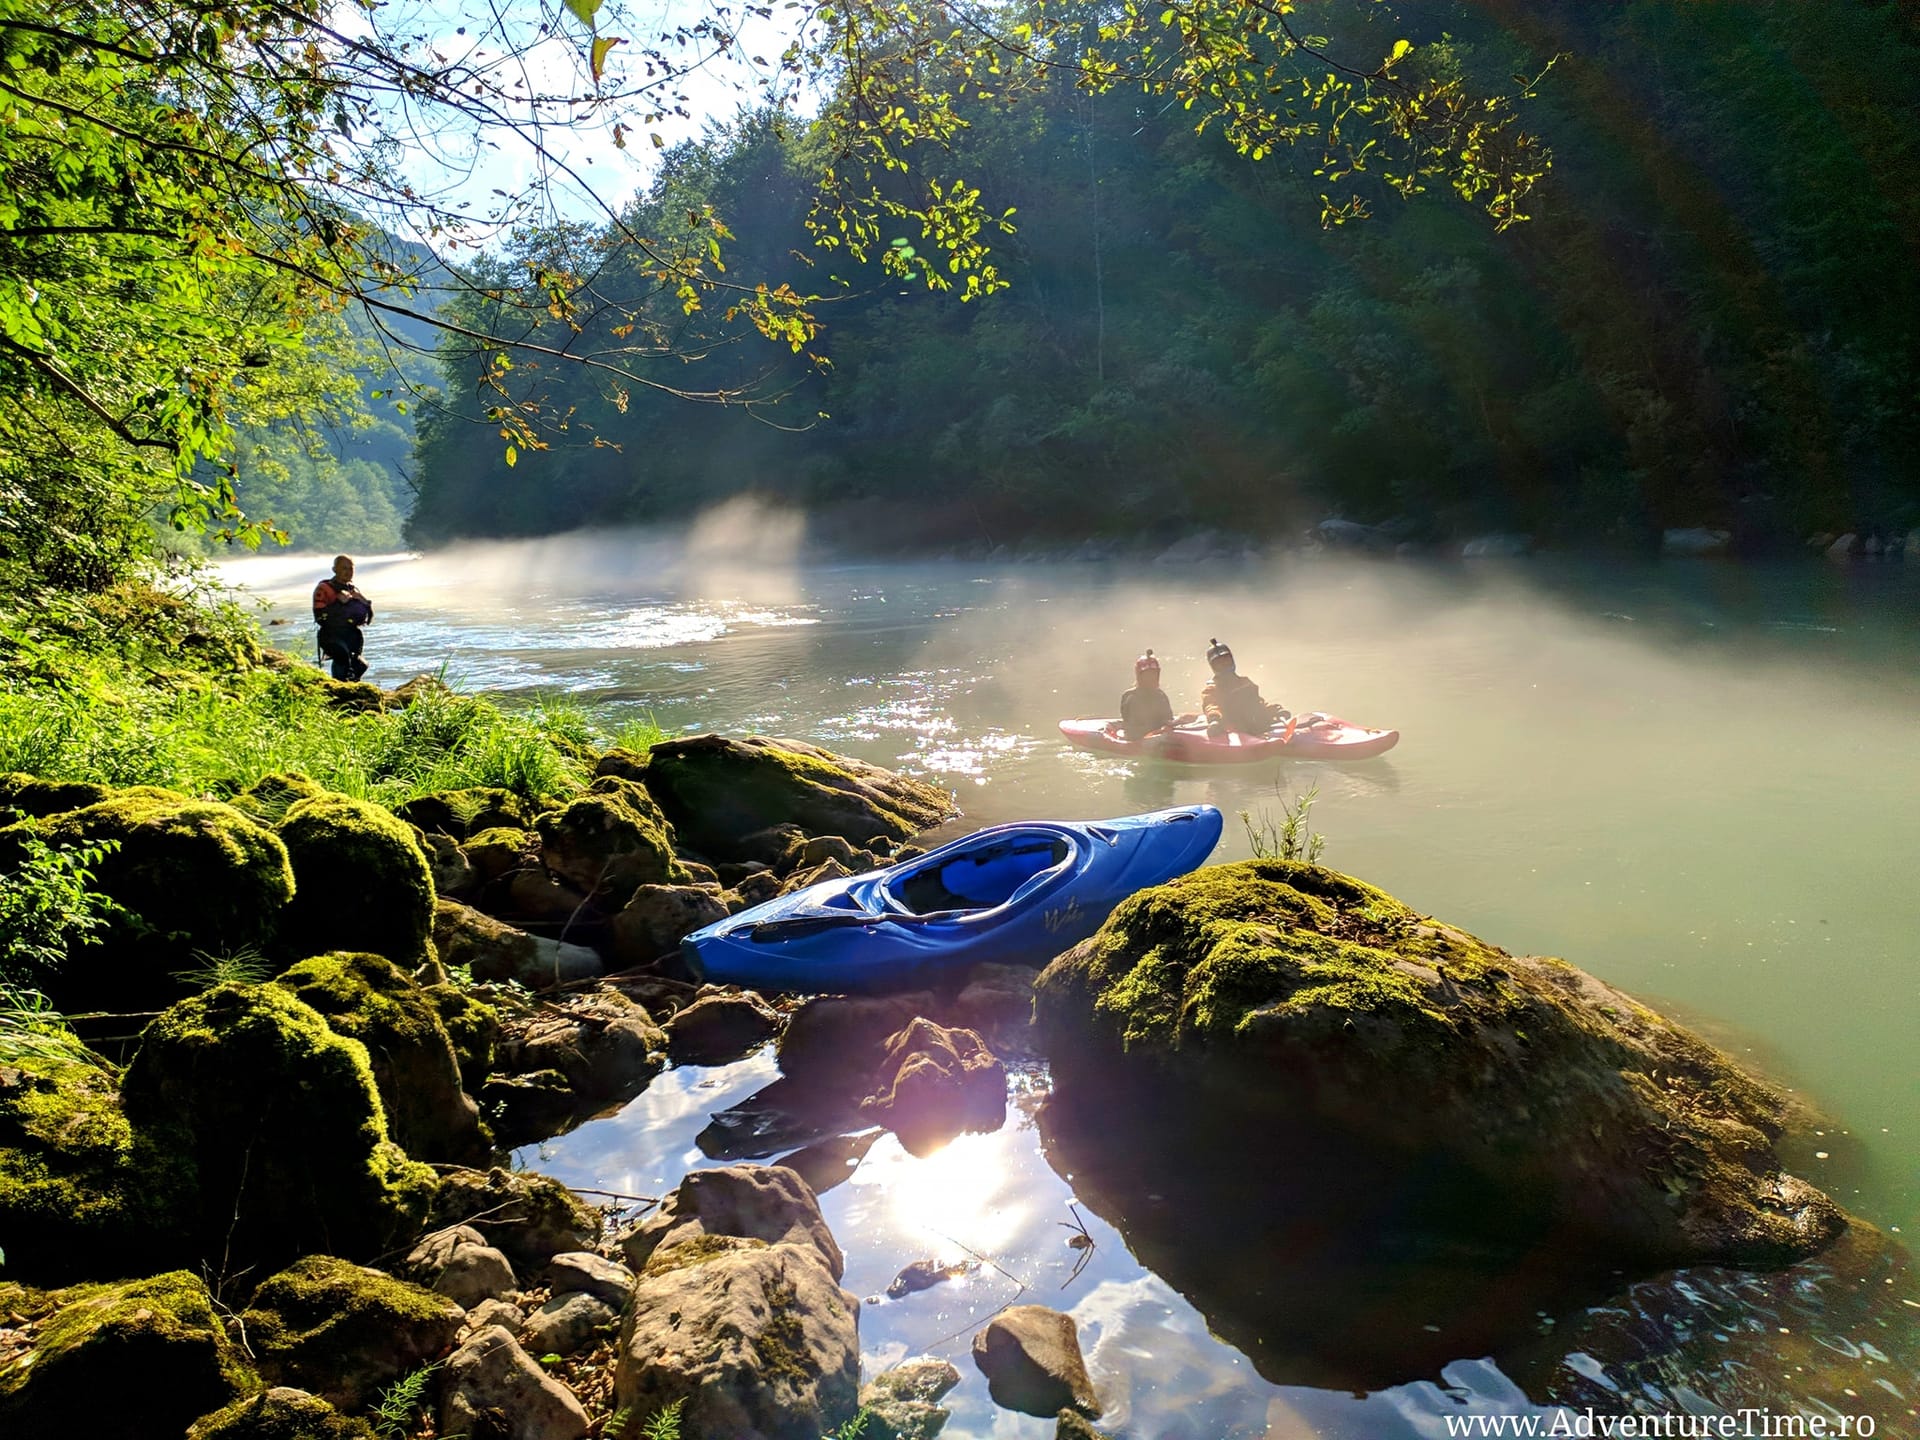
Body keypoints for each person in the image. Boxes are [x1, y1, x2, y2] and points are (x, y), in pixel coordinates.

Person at [1200, 638, 1283, 738]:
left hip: (1257, 724)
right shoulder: (1212, 689)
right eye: (1220, 663)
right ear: (1213, 667)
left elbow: (1259, 703)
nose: (1224, 665)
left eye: (1227, 660)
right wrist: (1214, 719)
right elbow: (1211, 706)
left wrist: (1275, 710)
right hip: (1237, 729)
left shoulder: (1244, 682)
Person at [312, 555, 374, 681]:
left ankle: (351, 688)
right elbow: (319, 617)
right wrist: (338, 603)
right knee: (342, 657)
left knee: (360, 665)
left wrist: (365, 602)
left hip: (352, 634)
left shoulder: (353, 589)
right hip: (330, 634)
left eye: (351, 569)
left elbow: (368, 618)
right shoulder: (324, 589)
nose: (348, 572)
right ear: (334, 569)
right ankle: (340, 689)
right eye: (344, 568)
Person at [1119, 649, 1176, 741]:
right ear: (1140, 676)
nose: (1152, 678)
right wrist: (1161, 730)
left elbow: (1168, 718)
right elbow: (1134, 728)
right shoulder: (1132, 697)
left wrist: (1176, 722)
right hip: (1138, 738)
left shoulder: (1161, 695)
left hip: (1158, 735)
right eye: (1148, 675)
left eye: (1154, 674)